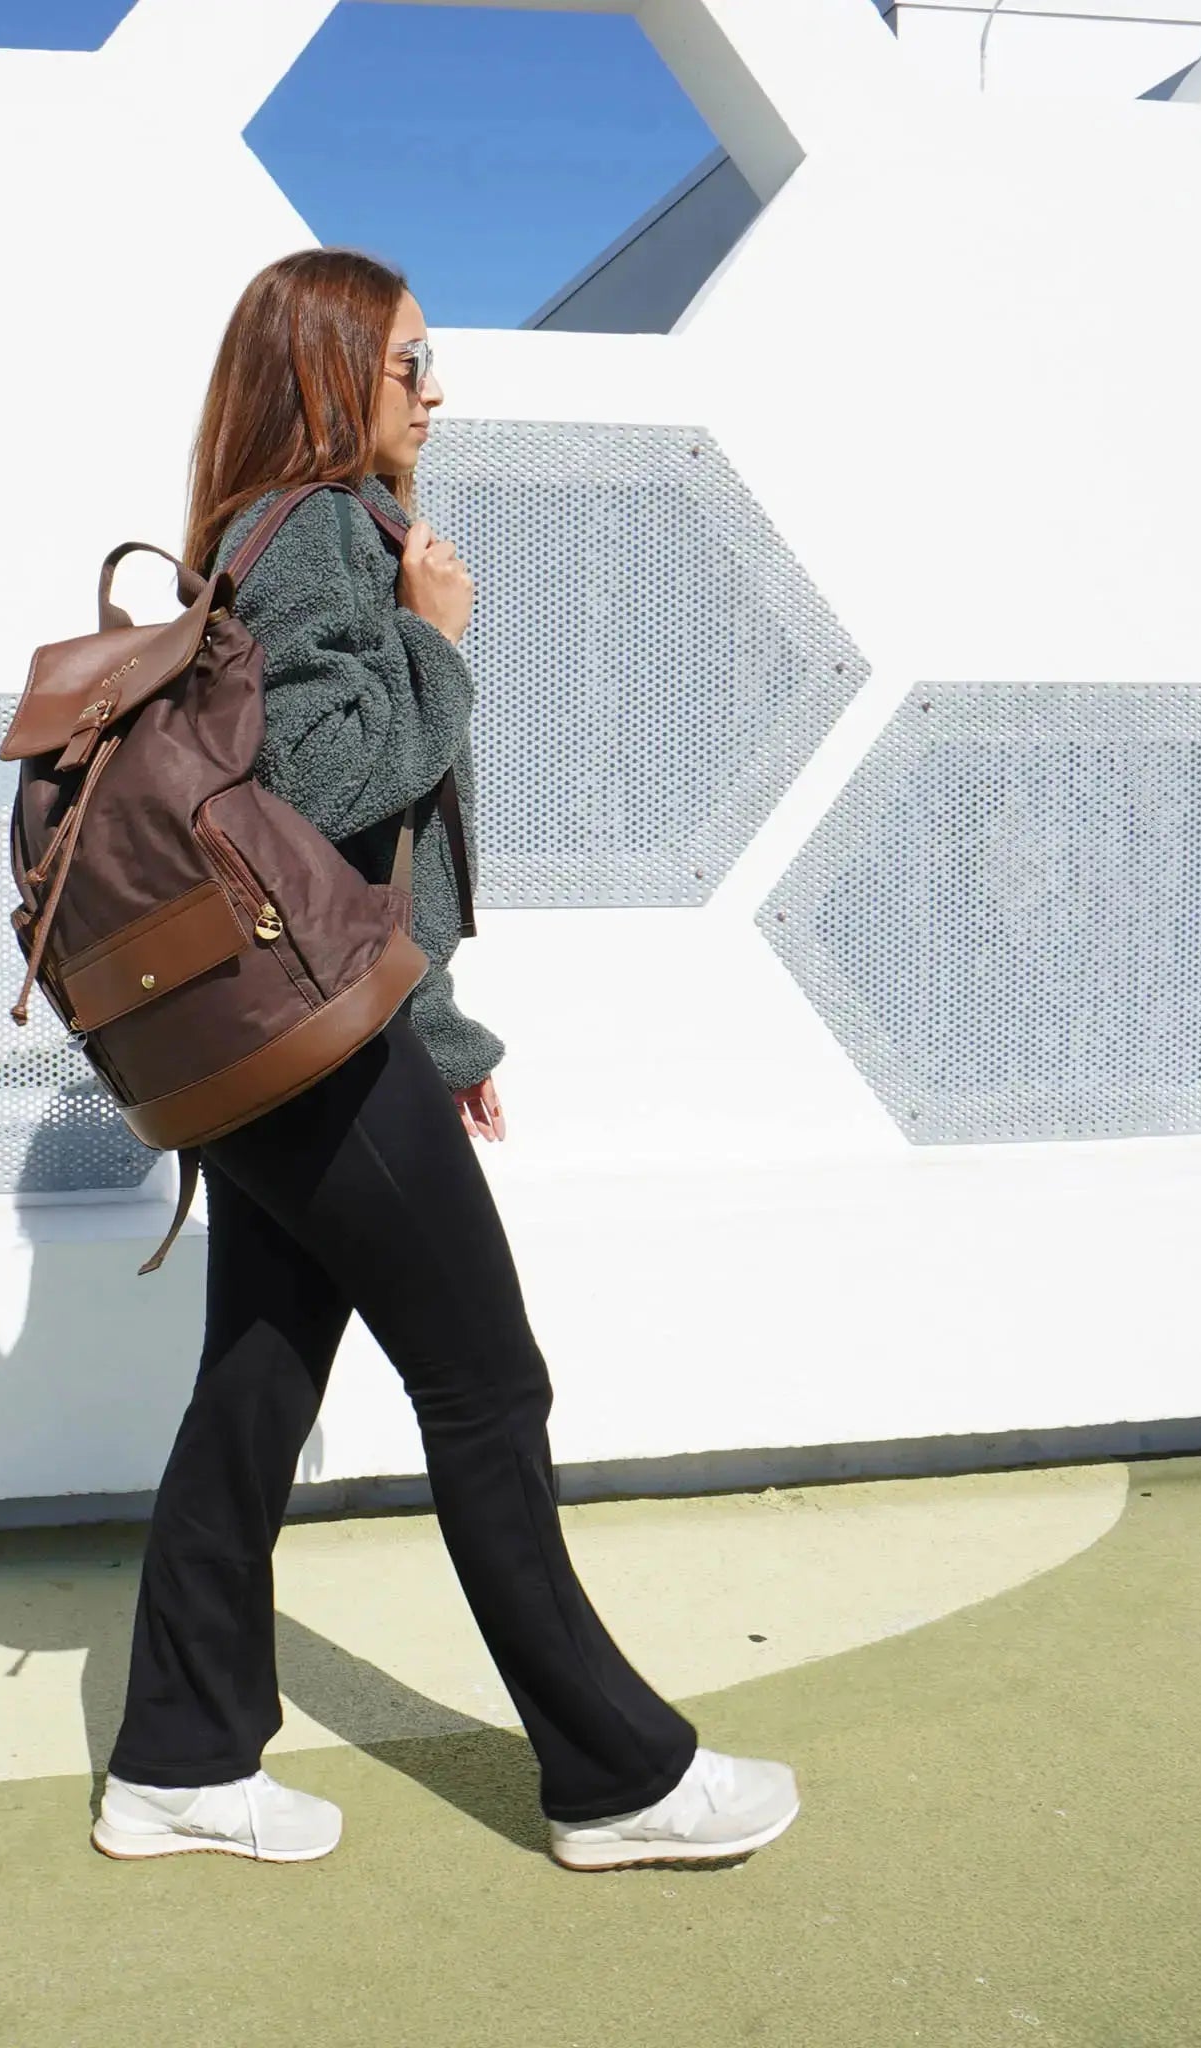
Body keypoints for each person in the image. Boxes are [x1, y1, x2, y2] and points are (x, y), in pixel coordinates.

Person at [91, 249, 799, 1873]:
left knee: (255, 1390)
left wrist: (445, 1035)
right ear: (334, 373)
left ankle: (179, 1762)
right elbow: (338, 788)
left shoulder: (240, 536)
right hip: (318, 1064)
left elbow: (307, 865)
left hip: (270, 1052)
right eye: (412, 363)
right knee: (487, 1388)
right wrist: (439, 637)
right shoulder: (325, 534)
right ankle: (619, 1778)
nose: (437, 391)